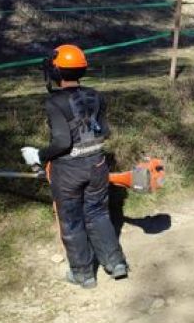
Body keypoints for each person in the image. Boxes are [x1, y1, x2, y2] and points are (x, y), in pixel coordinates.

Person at [21, 44, 129, 289]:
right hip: (98, 164)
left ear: (56, 72)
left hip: (68, 169)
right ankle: (116, 263)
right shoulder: (96, 96)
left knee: (71, 219)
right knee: (99, 213)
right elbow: (106, 131)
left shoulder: (54, 102)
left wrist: (39, 155)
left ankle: (83, 274)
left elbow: (61, 141)